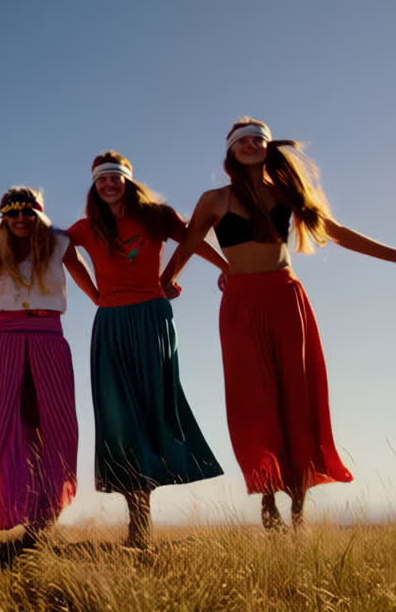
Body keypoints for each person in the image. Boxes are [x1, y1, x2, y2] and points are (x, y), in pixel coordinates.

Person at [165, 118, 396, 529]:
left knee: (297, 396)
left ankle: (298, 507)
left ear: (269, 149)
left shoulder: (287, 194)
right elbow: (189, 242)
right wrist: (168, 280)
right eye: (243, 140)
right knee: (253, 401)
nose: (251, 144)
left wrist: (393, 255)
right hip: (241, 306)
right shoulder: (215, 199)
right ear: (231, 151)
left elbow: (337, 232)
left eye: (259, 140)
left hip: (287, 298)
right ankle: (268, 499)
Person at [66, 152, 225, 547]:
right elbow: (63, 251)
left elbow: (192, 238)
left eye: (115, 177)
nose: (108, 184)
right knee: (118, 414)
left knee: (154, 406)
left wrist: (222, 267)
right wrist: (94, 293)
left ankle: (146, 512)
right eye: (102, 179)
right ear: (94, 185)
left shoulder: (156, 216)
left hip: (152, 319)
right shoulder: (86, 227)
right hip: (111, 323)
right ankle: (138, 521)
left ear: (127, 181)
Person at [0, 187, 96, 542]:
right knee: (6, 423)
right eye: (12, 214)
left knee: (55, 425)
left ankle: (45, 515)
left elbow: (96, 291)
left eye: (28, 213)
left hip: (49, 337)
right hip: (5, 337)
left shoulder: (60, 244)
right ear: (4, 217)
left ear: (39, 215)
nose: (20, 219)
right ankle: (19, 505)